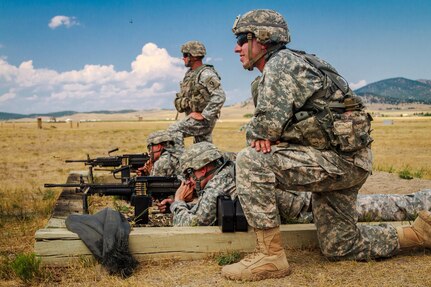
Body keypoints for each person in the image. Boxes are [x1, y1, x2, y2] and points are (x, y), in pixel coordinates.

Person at [221, 9, 431, 281]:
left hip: (336, 162)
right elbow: (274, 128)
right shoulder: (300, 61)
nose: (236, 47)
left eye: (241, 38)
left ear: (262, 38)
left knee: (250, 161)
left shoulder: (281, 64)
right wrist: (270, 135)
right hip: (346, 162)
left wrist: (267, 135)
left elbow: (263, 129)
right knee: (340, 245)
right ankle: (417, 234)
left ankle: (270, 257)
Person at [158, 143, 431, 227]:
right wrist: (183, 203)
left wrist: (179, 203)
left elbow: (193, 225)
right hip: (305, 206)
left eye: (191, 174)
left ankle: (425, 200)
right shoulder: (225, 171)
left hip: (309, 210)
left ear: (204, 167)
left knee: (385, 208)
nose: (190, 180)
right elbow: (205, 209)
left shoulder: (220, 180)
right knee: (377, 206)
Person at [168, 41, 226, 145]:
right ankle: (210, 160)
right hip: (196, 117)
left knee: (174, 130)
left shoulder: (206, 73)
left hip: (204, 120)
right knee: (203, 148)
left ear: (193, 56)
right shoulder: (191, 73)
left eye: (185, 55)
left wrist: (204, 115)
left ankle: (177, 159)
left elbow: (219, 96)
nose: (183, 58)